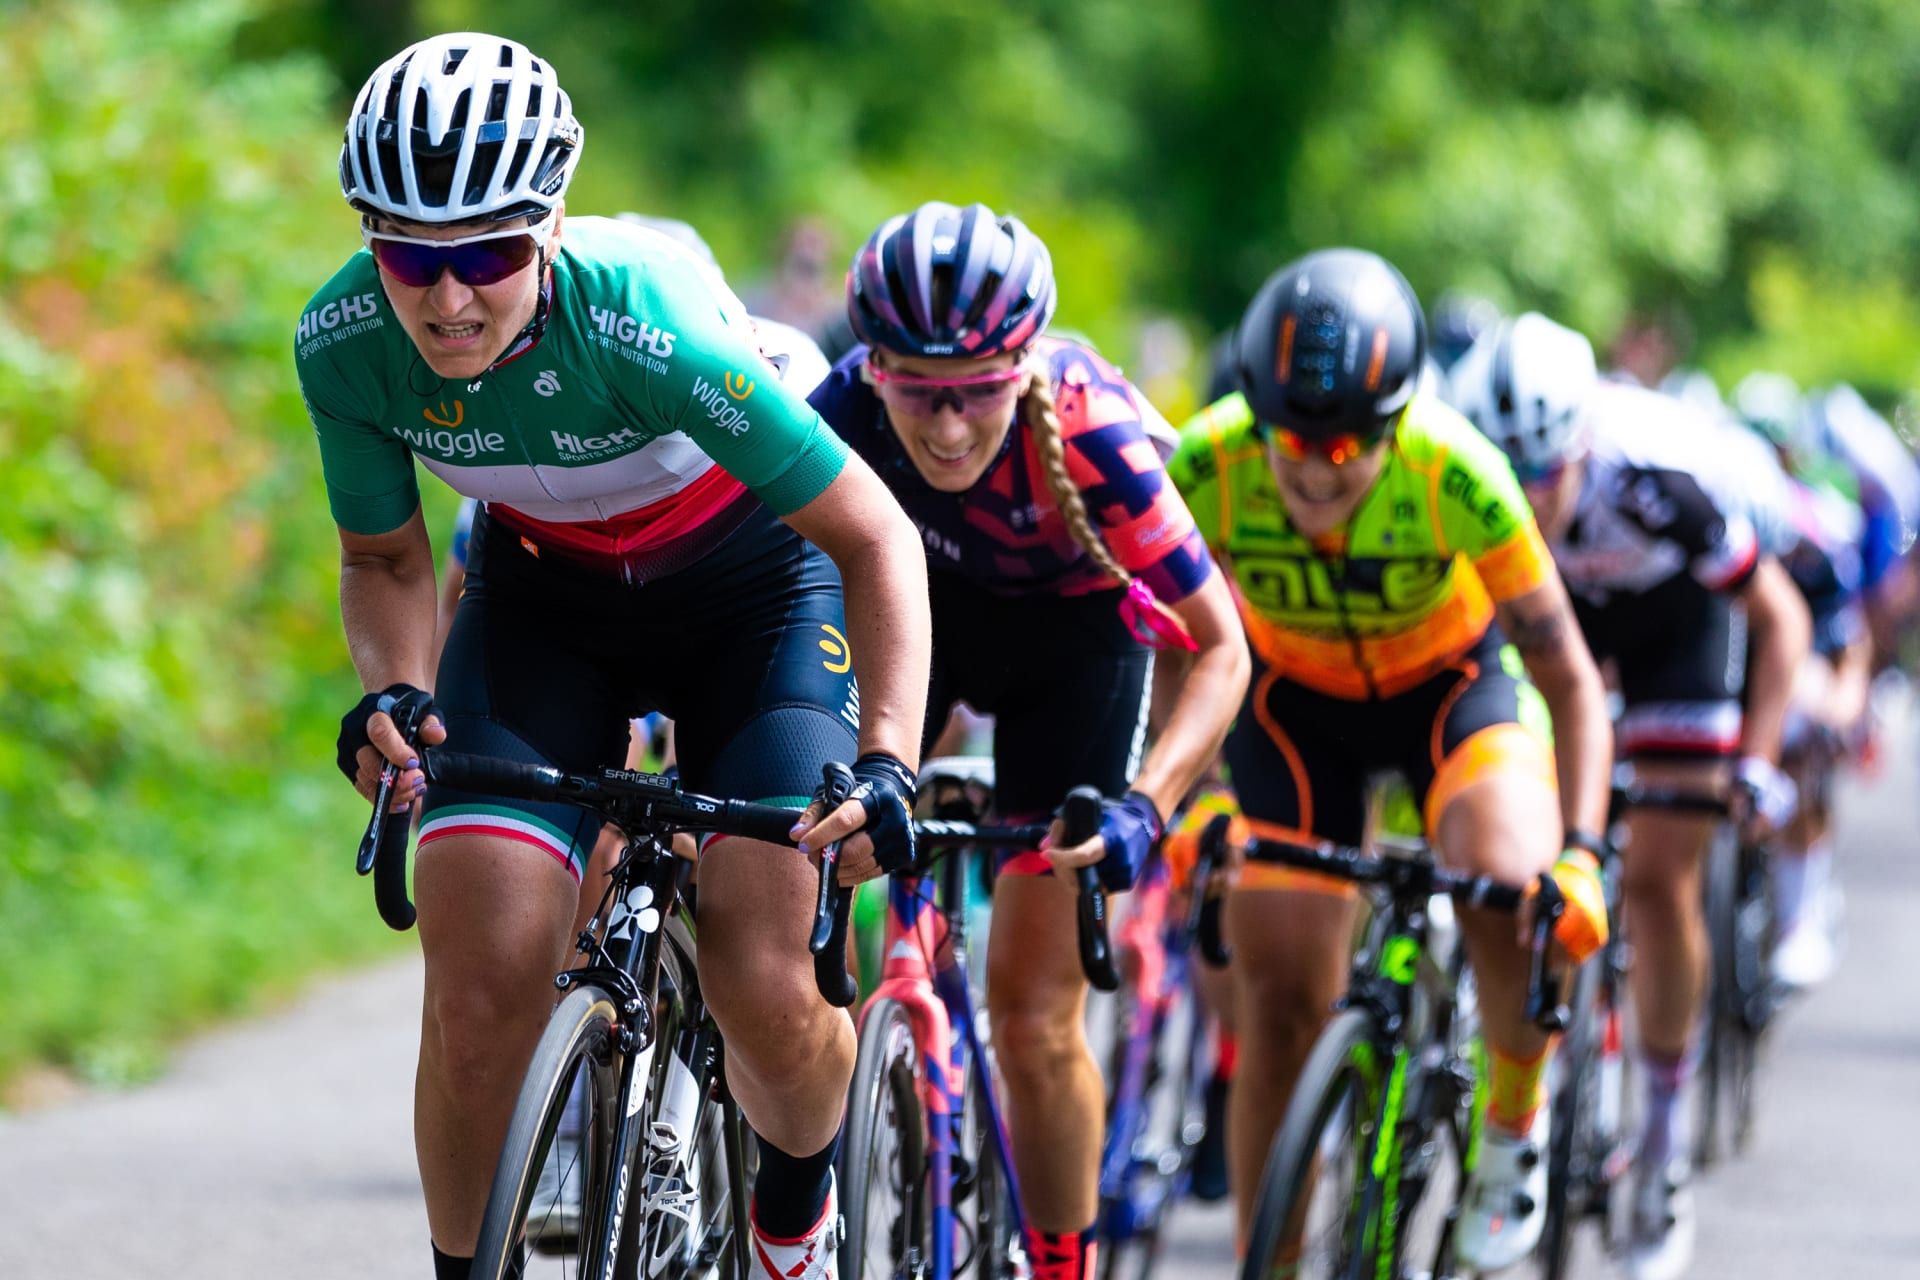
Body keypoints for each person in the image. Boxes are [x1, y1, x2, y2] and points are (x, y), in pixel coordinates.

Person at [301, 33, 932, 1280]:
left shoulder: (648, 327)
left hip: (752, 589)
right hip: (547, 598)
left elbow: (876, 539)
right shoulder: (346, 342)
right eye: (408, 257)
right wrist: (394, 688)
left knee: (765, 971)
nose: (447, 297)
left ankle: (795, 1211)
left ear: (548, 232)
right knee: (477, 971)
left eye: (484, 254)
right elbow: (384, 561)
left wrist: (889, 761)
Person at [807, 200, 1250, 1280]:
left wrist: (1149, 804)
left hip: (1076, 647)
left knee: (1032, 1011)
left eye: (976, 394)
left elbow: (1220, 647)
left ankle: (1063, 1260)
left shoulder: (1096, 437)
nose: (948, 427)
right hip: (922, 619)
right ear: (875, 372)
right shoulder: (838, 409)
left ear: (1025, 367)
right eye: (918, 391)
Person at [1167, 250, 1614, 1272]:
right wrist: (1188, 796)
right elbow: (1162, 641)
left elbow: (1573, 682)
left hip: (1448, 691)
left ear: (1398, 421)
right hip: (1292, 708)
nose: (1319, 471)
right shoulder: (1204, 462)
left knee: (1510, 885)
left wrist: (1582, 854)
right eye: (1293, 445)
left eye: (1349, 448)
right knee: (1277, 1001)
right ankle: (1270, 1254)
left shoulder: (1457, 469)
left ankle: (1508, 1124)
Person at [1453, 312, 1812, 1280]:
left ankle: (1660, 1141)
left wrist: (1762, 762)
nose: (1526, 495)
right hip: (1555, 627)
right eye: (1509, 472)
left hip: (1671, 630)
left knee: (1655, 879)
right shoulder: (1474, 487)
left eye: (1545, 473)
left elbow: (1776, 616)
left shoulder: (1656, 482)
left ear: (1582, 449)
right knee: (1525, 853)